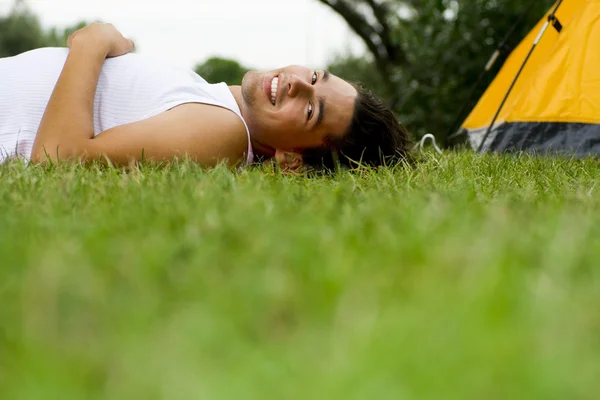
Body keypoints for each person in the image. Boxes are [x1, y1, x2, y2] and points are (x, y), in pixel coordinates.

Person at [0, 23, 412, 170]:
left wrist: (93, 42)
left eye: (309, 110)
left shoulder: (225, 131)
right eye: (317, 76)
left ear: (291, 161)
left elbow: (57, 157)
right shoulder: (212, 100)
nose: (299, 83)